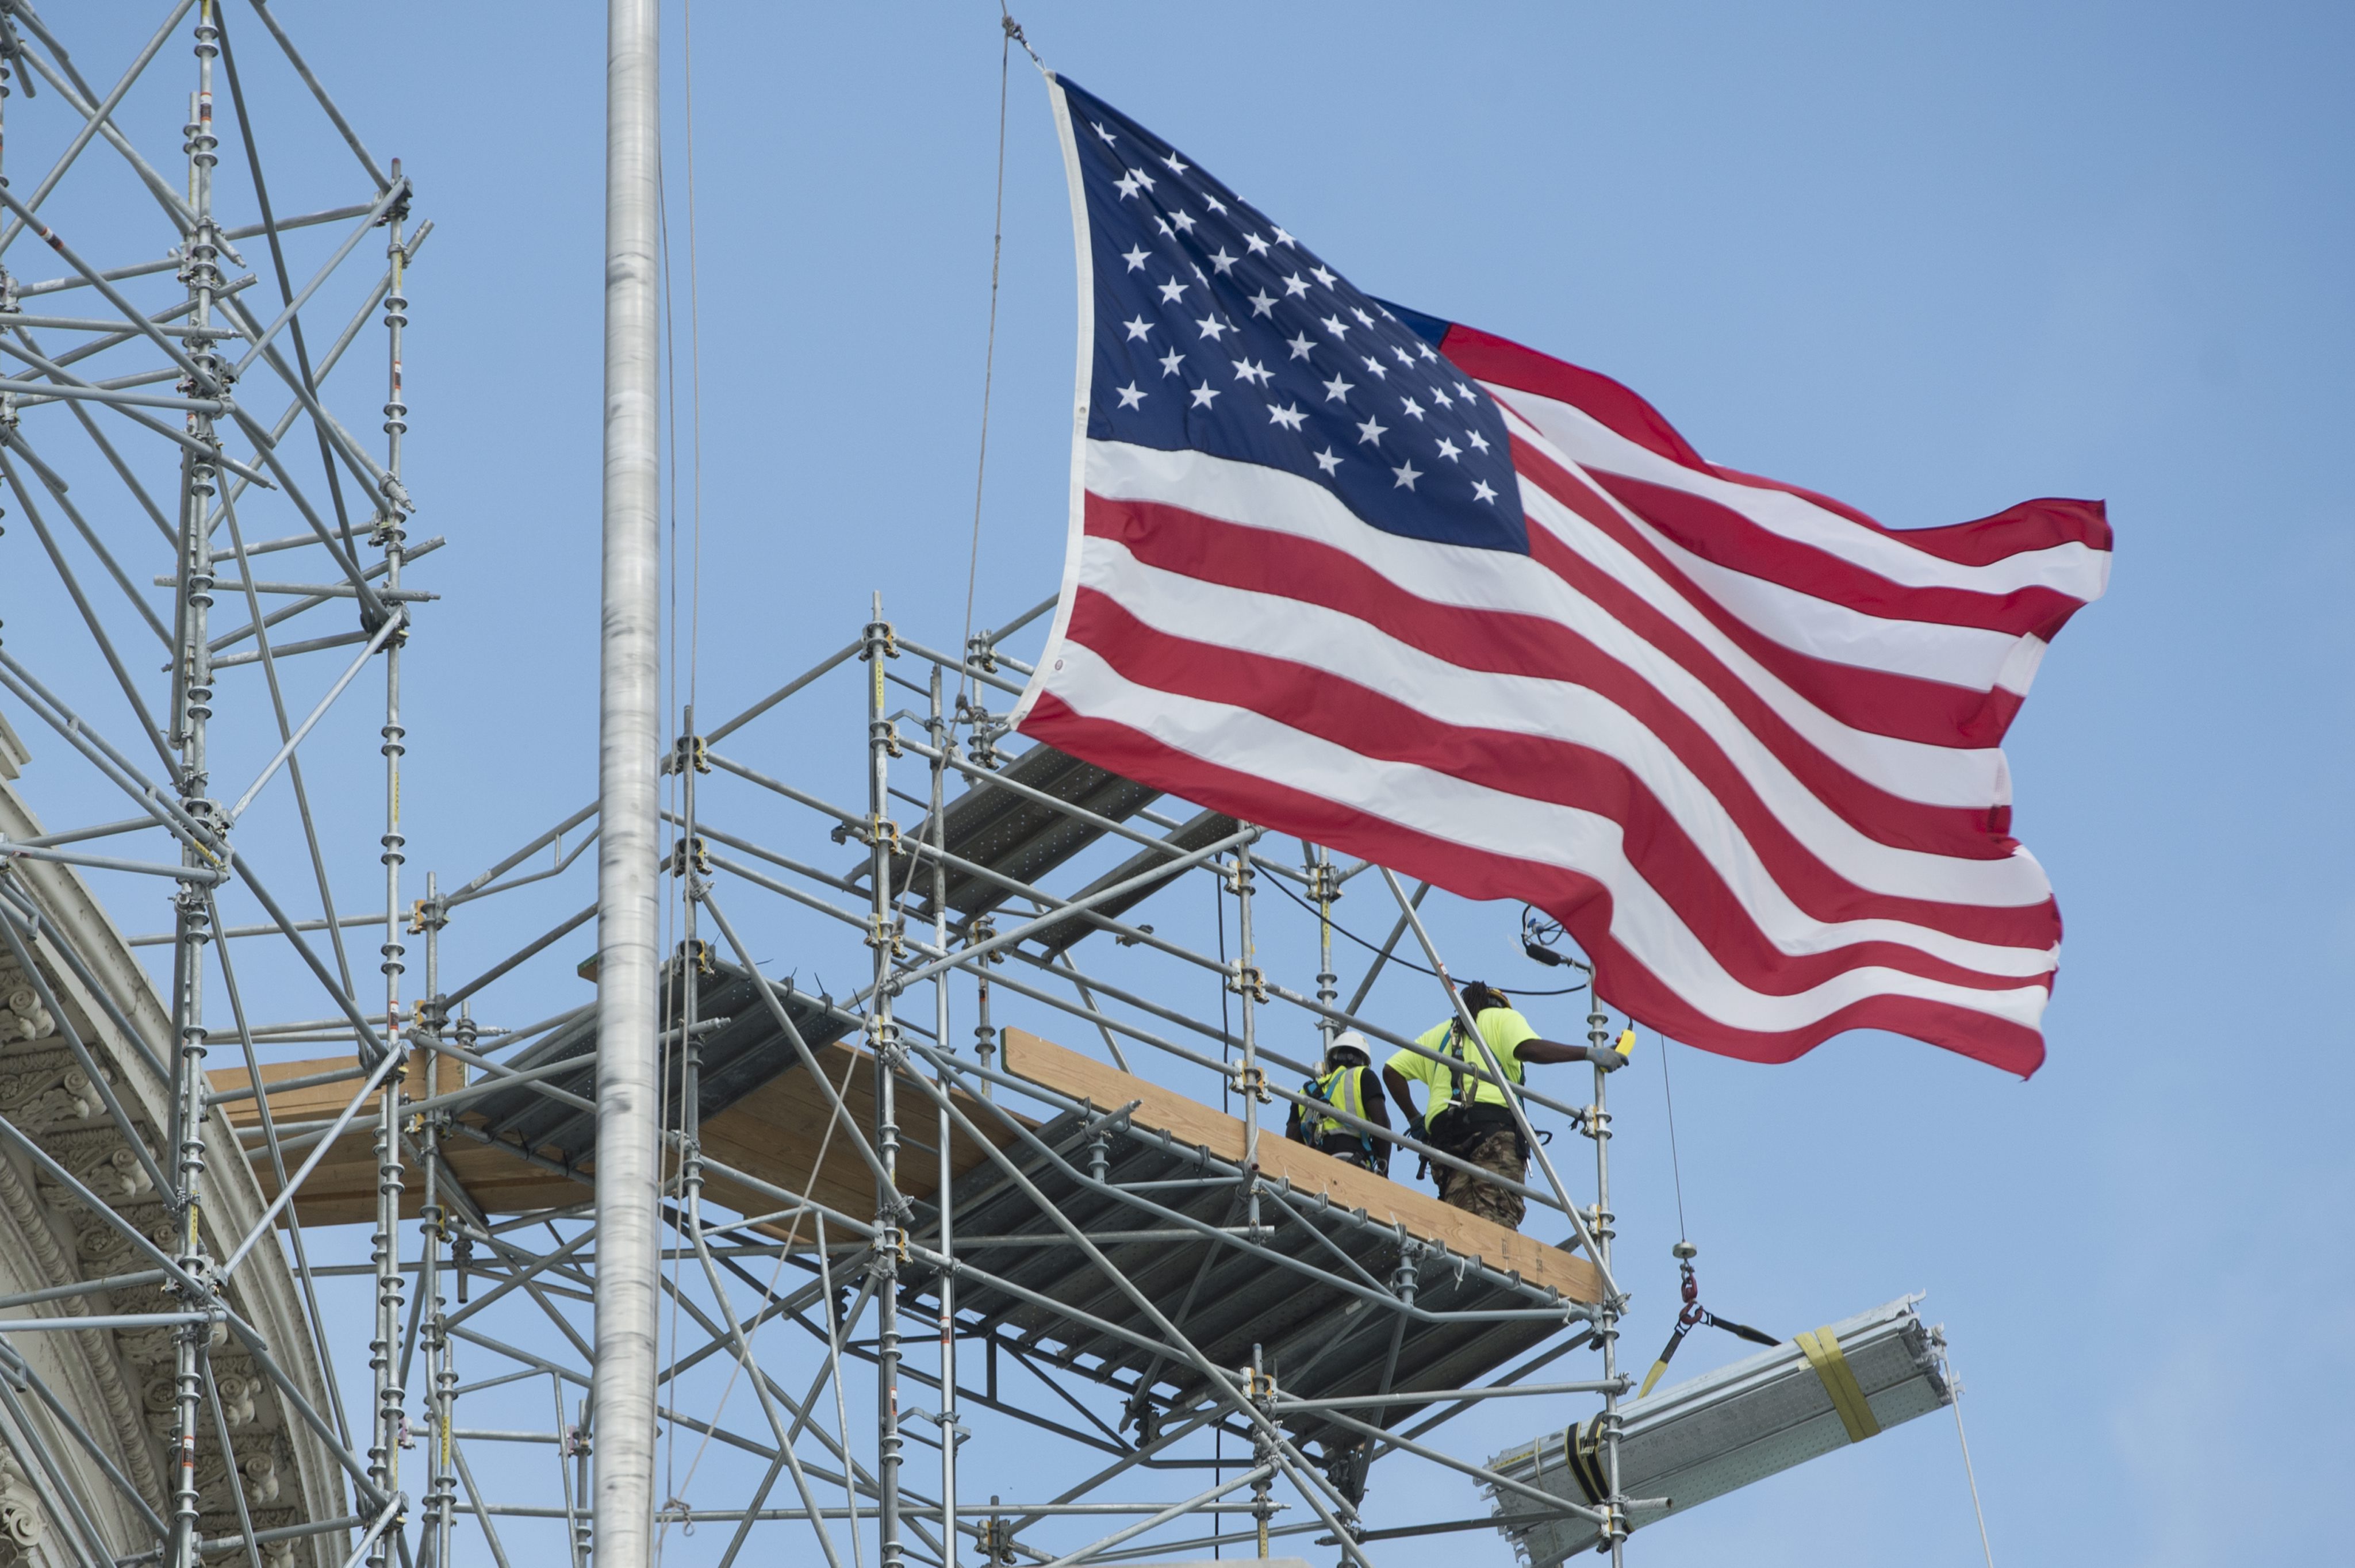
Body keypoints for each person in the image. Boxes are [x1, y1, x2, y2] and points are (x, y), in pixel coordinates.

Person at [1379, 981, 1586, 1230]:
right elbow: (1528, 1049)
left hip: (1446, 1144)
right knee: (1496, 1228)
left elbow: (1391, 1072)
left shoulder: (1443, 1033)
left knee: (1460, 1228)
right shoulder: (1503, 1019)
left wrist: (1416, 1121)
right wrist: (1587, 1053)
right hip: (1494, 1135)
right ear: (1501, 1005)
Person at [1286, 1030, 1392, 1172]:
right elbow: (1382, 1126)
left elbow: (1291, 1141)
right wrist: (1383, 1167)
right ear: (1363, 1062)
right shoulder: (1363, 1076)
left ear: (1331, 1061)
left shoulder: (1305, 1092)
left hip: (1314, 1165)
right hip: (1353, 1160)